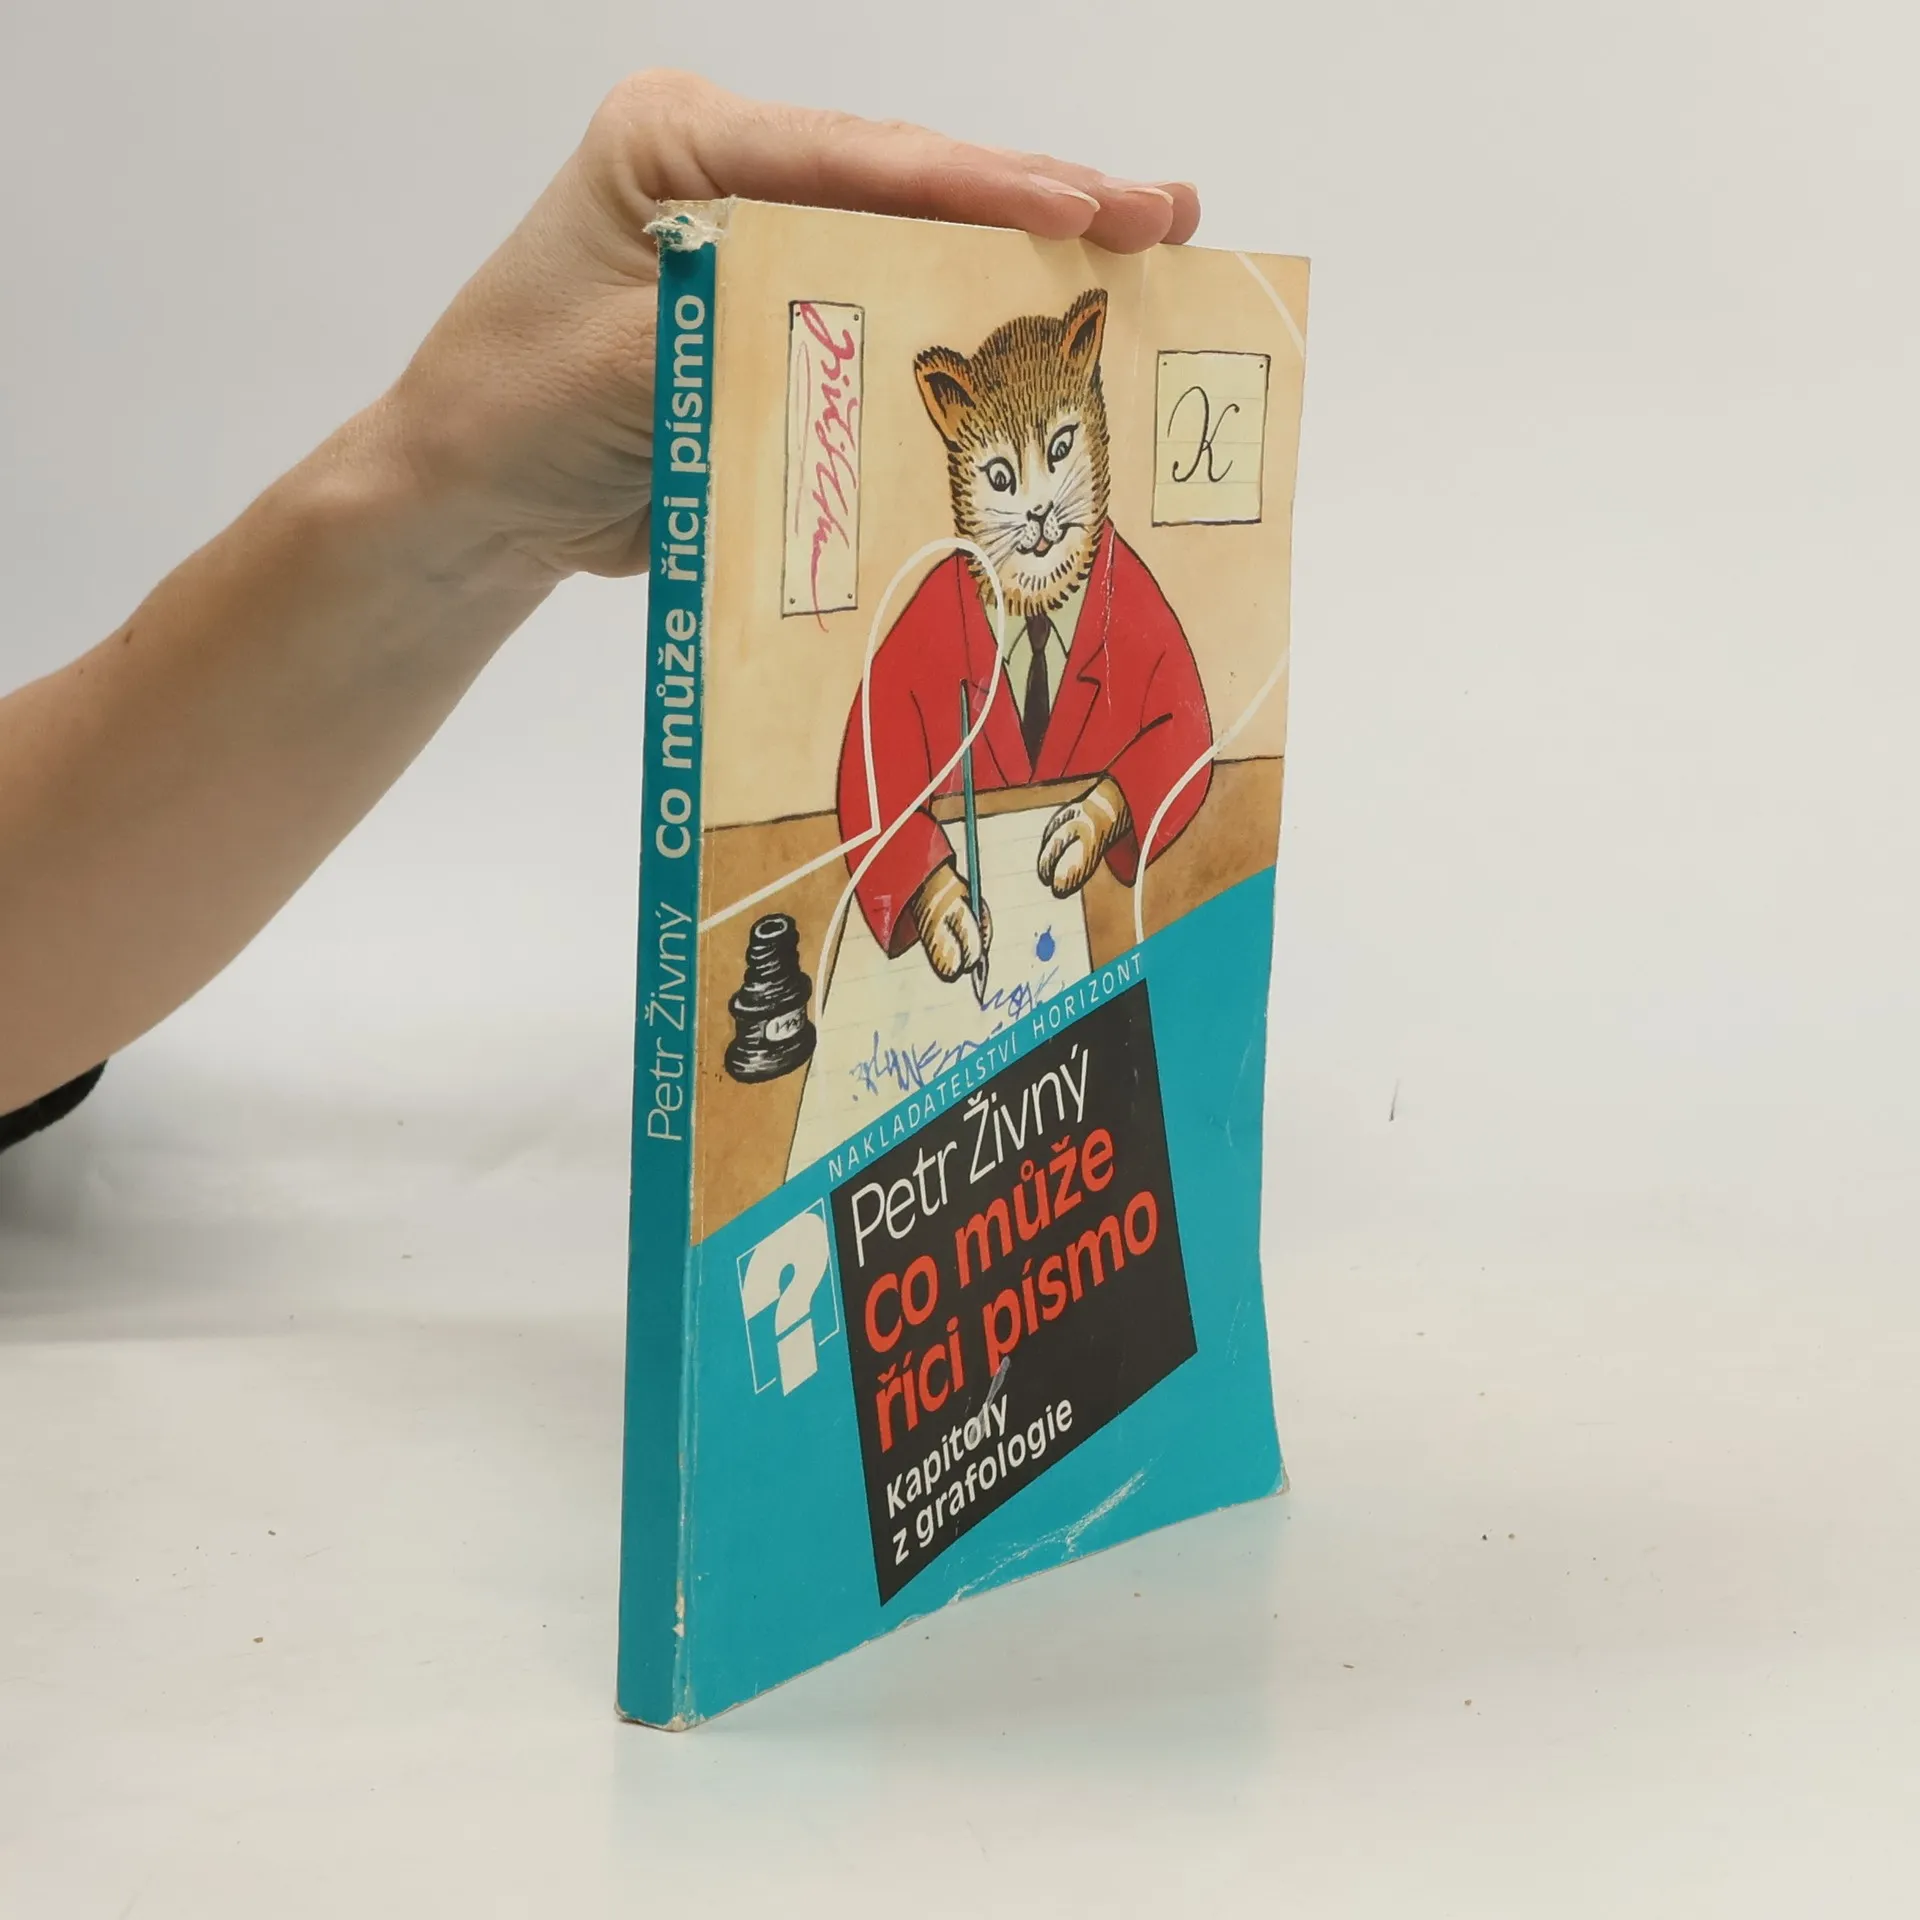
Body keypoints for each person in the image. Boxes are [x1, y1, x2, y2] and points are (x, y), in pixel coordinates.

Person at [0, 71, 1198, 1136]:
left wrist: (1107, 806)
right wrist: (928, 885)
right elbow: (874, 772)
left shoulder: (1127, 598)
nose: (1038, 511)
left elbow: (1181, 726)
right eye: (1002, 479)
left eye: (1059, 458)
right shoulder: (935, 610)